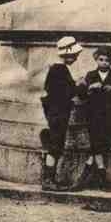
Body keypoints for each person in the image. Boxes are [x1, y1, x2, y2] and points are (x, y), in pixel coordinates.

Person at [74, 46, 111, 191]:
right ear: (96, 60)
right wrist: (90, 88)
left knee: (98, 146)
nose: (103, 63)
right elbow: (81, 95)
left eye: (107, 60)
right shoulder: (90, 75)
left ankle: (83, 179)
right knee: (98, 145)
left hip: (110, 116)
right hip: (94, 116)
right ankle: (101, 180)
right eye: (101, 60)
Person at [40, 35, 83, 191]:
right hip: (58, 111)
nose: (76, 58)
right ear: (68, 55)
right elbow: (63, 92)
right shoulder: (60, 69)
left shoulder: (56, 68)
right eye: (75, 56)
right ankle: (48, 180)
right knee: (55, 145)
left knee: (55, 144)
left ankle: (49, 178)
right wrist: (78, 85)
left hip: (55, 110)